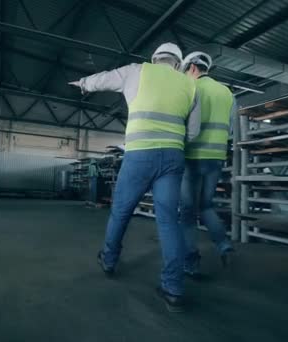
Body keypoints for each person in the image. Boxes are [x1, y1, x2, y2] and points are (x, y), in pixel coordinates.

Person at [69, 43, 201, 312]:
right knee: (168, 220)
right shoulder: (190, 86)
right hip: (173, 158)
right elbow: (194, 133)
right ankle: (173, 287)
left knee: (121, 212)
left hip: (140, 154)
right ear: (178, 63)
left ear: (155, 58)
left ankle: (108, 260)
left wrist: (83, 83)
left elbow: (103, 79)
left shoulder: (137, 71)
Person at [178, 52, 235, 278]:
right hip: (216, 157)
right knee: (207, 205)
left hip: (193, 157)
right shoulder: (227, 92)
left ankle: (191, 263)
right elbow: (230, 128)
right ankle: (223, 244)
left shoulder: (191, 88)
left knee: (188, 213)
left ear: (192, 68)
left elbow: (184, 122)